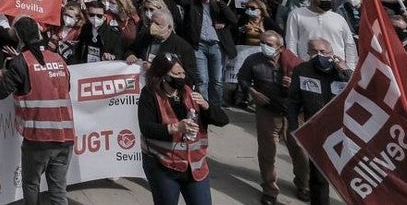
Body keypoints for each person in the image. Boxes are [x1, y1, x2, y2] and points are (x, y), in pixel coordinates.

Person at [0, 17, 73, 205]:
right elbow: (66, 87)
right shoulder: (58, 59)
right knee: (59, 192)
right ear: (38, 34)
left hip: (38, 139)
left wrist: (1, 74)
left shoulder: (21, 62)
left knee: (31, 185)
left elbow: (1, 92)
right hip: (65, 138)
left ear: (20, 38)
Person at [138, 53, 229, 205]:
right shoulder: (150, 95)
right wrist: (176, 128)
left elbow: (223, 120)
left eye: (182, 73)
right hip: (163, 165)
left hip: (195, 167)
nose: (181, 77)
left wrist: (207, 106)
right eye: (176, 74)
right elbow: (146, 128)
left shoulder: (191, 94)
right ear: (163, 75)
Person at [236, 31, 307, 204]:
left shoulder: (296, 64)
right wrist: (253, 92)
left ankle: (304, 186)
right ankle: (269, 189)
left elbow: (308, 87)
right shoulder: (253, 60)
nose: (264, 46)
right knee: (267, 153)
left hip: (293, 114)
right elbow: (243, 78)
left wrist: (294, 85)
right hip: (267, 112)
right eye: (262, 42)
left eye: (269, 44)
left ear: (280, 47)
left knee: (301, 153)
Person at [287, 38, 353, 205]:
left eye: (323, 52)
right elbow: (293, 101)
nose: (319, 55)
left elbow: (358, 93)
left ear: (332, 53)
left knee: (349, 177)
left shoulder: (343, 73)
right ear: (308, 53)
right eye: (314, 52)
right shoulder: (302, 70)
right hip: (316, 131)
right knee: (318, 178)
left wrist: (346, 72)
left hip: (344, 132)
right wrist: (293, 127)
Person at [178, 0, 237, 107]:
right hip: (199, 46)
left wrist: (219, 1)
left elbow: (233, 19)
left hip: (216, 46)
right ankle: (204, 106)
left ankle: (216, 106)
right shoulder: (192, 2)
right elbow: (179, 0)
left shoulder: (217, 4)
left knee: (217, 80)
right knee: (202, 80)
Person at [284, 0, 357, 68]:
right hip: (308, 66)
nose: (327, 1)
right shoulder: (296, 15)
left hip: (336, 66)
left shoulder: (338, 18)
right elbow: (291, 41)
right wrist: (295, 65)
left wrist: (350, 67)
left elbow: (349, 44)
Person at [126, 9, 198, 84]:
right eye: (151, 22)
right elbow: (131, 49)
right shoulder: (144, 37)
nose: (152, 26)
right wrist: (130, 55)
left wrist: (156, 69)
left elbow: (190, 76)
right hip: (144, 83)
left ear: (169, 27)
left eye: (157, 24)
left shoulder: (183, 47)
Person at [70, 0, 122, 65]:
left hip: (103, 68)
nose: (95, 18)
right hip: (86, 66)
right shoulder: (86, 28)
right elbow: (79, 48)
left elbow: (119, 55)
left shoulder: (113, 33)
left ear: (104, 17)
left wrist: (111, 57)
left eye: (99, 16)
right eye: (92, 15)